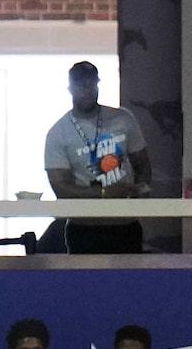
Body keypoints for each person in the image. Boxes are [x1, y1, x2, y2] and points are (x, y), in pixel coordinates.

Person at [39, 58, 152, 254]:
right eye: (81, 84)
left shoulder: (123, 119)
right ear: (70, 88)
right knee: (86, 282)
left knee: (128, 281)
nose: (87, 89)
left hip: (125, 223)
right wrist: (104, 193)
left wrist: (139, 191)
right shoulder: (58, 133)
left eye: (91, 84)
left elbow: (142, 163)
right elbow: (61, 188)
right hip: (84, 226)